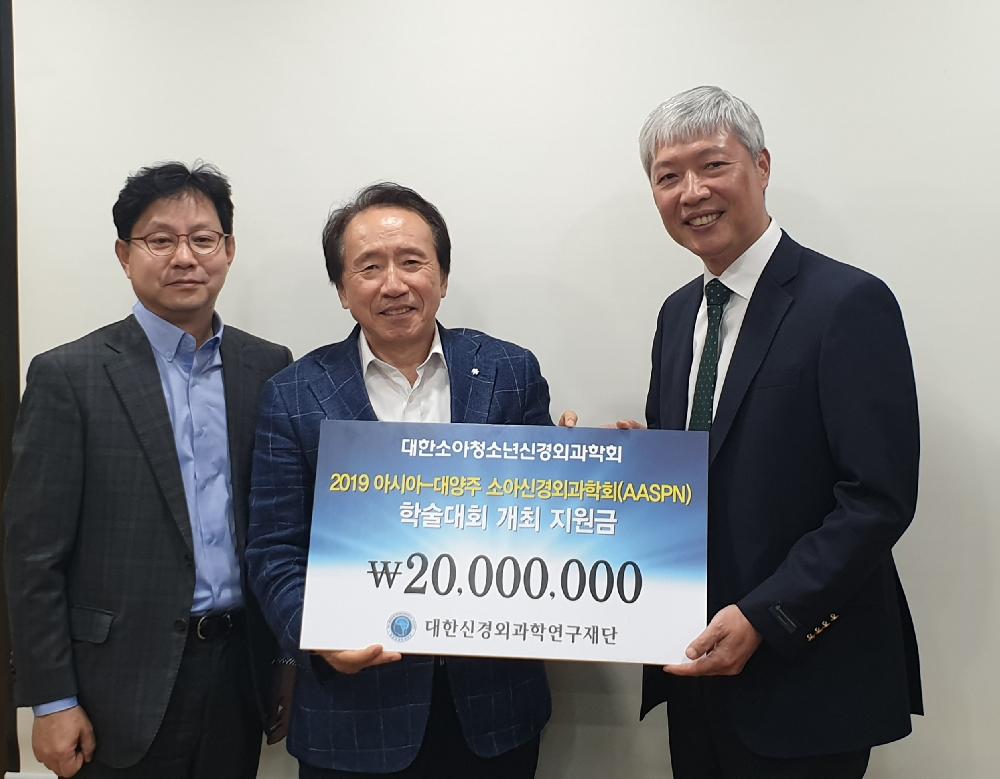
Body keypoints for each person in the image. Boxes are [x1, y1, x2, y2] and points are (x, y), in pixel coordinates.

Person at [636, 87, 922, 777]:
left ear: (761, 167)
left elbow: (877, 497)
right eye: (668, 176)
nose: (692, 192)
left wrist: (767, 616)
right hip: (694, 667)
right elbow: (698, 468)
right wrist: (631, 464)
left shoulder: (847, 302)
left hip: (806, 674)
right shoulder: (677, 314)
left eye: (713, 165)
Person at [247, 182, 551, 778]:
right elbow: (273, 549)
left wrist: (584, 471)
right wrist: (319, 635)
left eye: (412, 261)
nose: (393, 284)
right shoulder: (293, 393)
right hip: (353, 715)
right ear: (342, 289)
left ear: (443, 276)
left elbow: (541, 522)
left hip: (492, 710)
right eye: (369, 267)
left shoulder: (510, 372)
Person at [3, 161, 293, 778]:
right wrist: (51, 701)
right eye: (160, 240)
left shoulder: (267, 366)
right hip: (114, 686)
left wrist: (286, 663)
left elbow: (281, 525)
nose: (185, 257)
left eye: (203, 239)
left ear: (229, 249)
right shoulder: (69, 376)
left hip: (238, 675)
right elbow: (32, 555)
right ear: (124, 254)